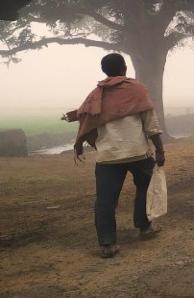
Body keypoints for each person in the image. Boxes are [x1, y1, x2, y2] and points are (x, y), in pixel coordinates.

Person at [63, 53, 166, 258]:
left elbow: (86, 118)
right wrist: (160, 150)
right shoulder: (137, 89)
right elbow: (151, 124)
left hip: (108, 157)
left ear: (104, 71)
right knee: (144, 189)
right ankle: (144, 227)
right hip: (138, 152)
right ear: (124, 68)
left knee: (105, 201)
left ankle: (108, 244)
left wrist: (82, 142)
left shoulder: (95, 95)